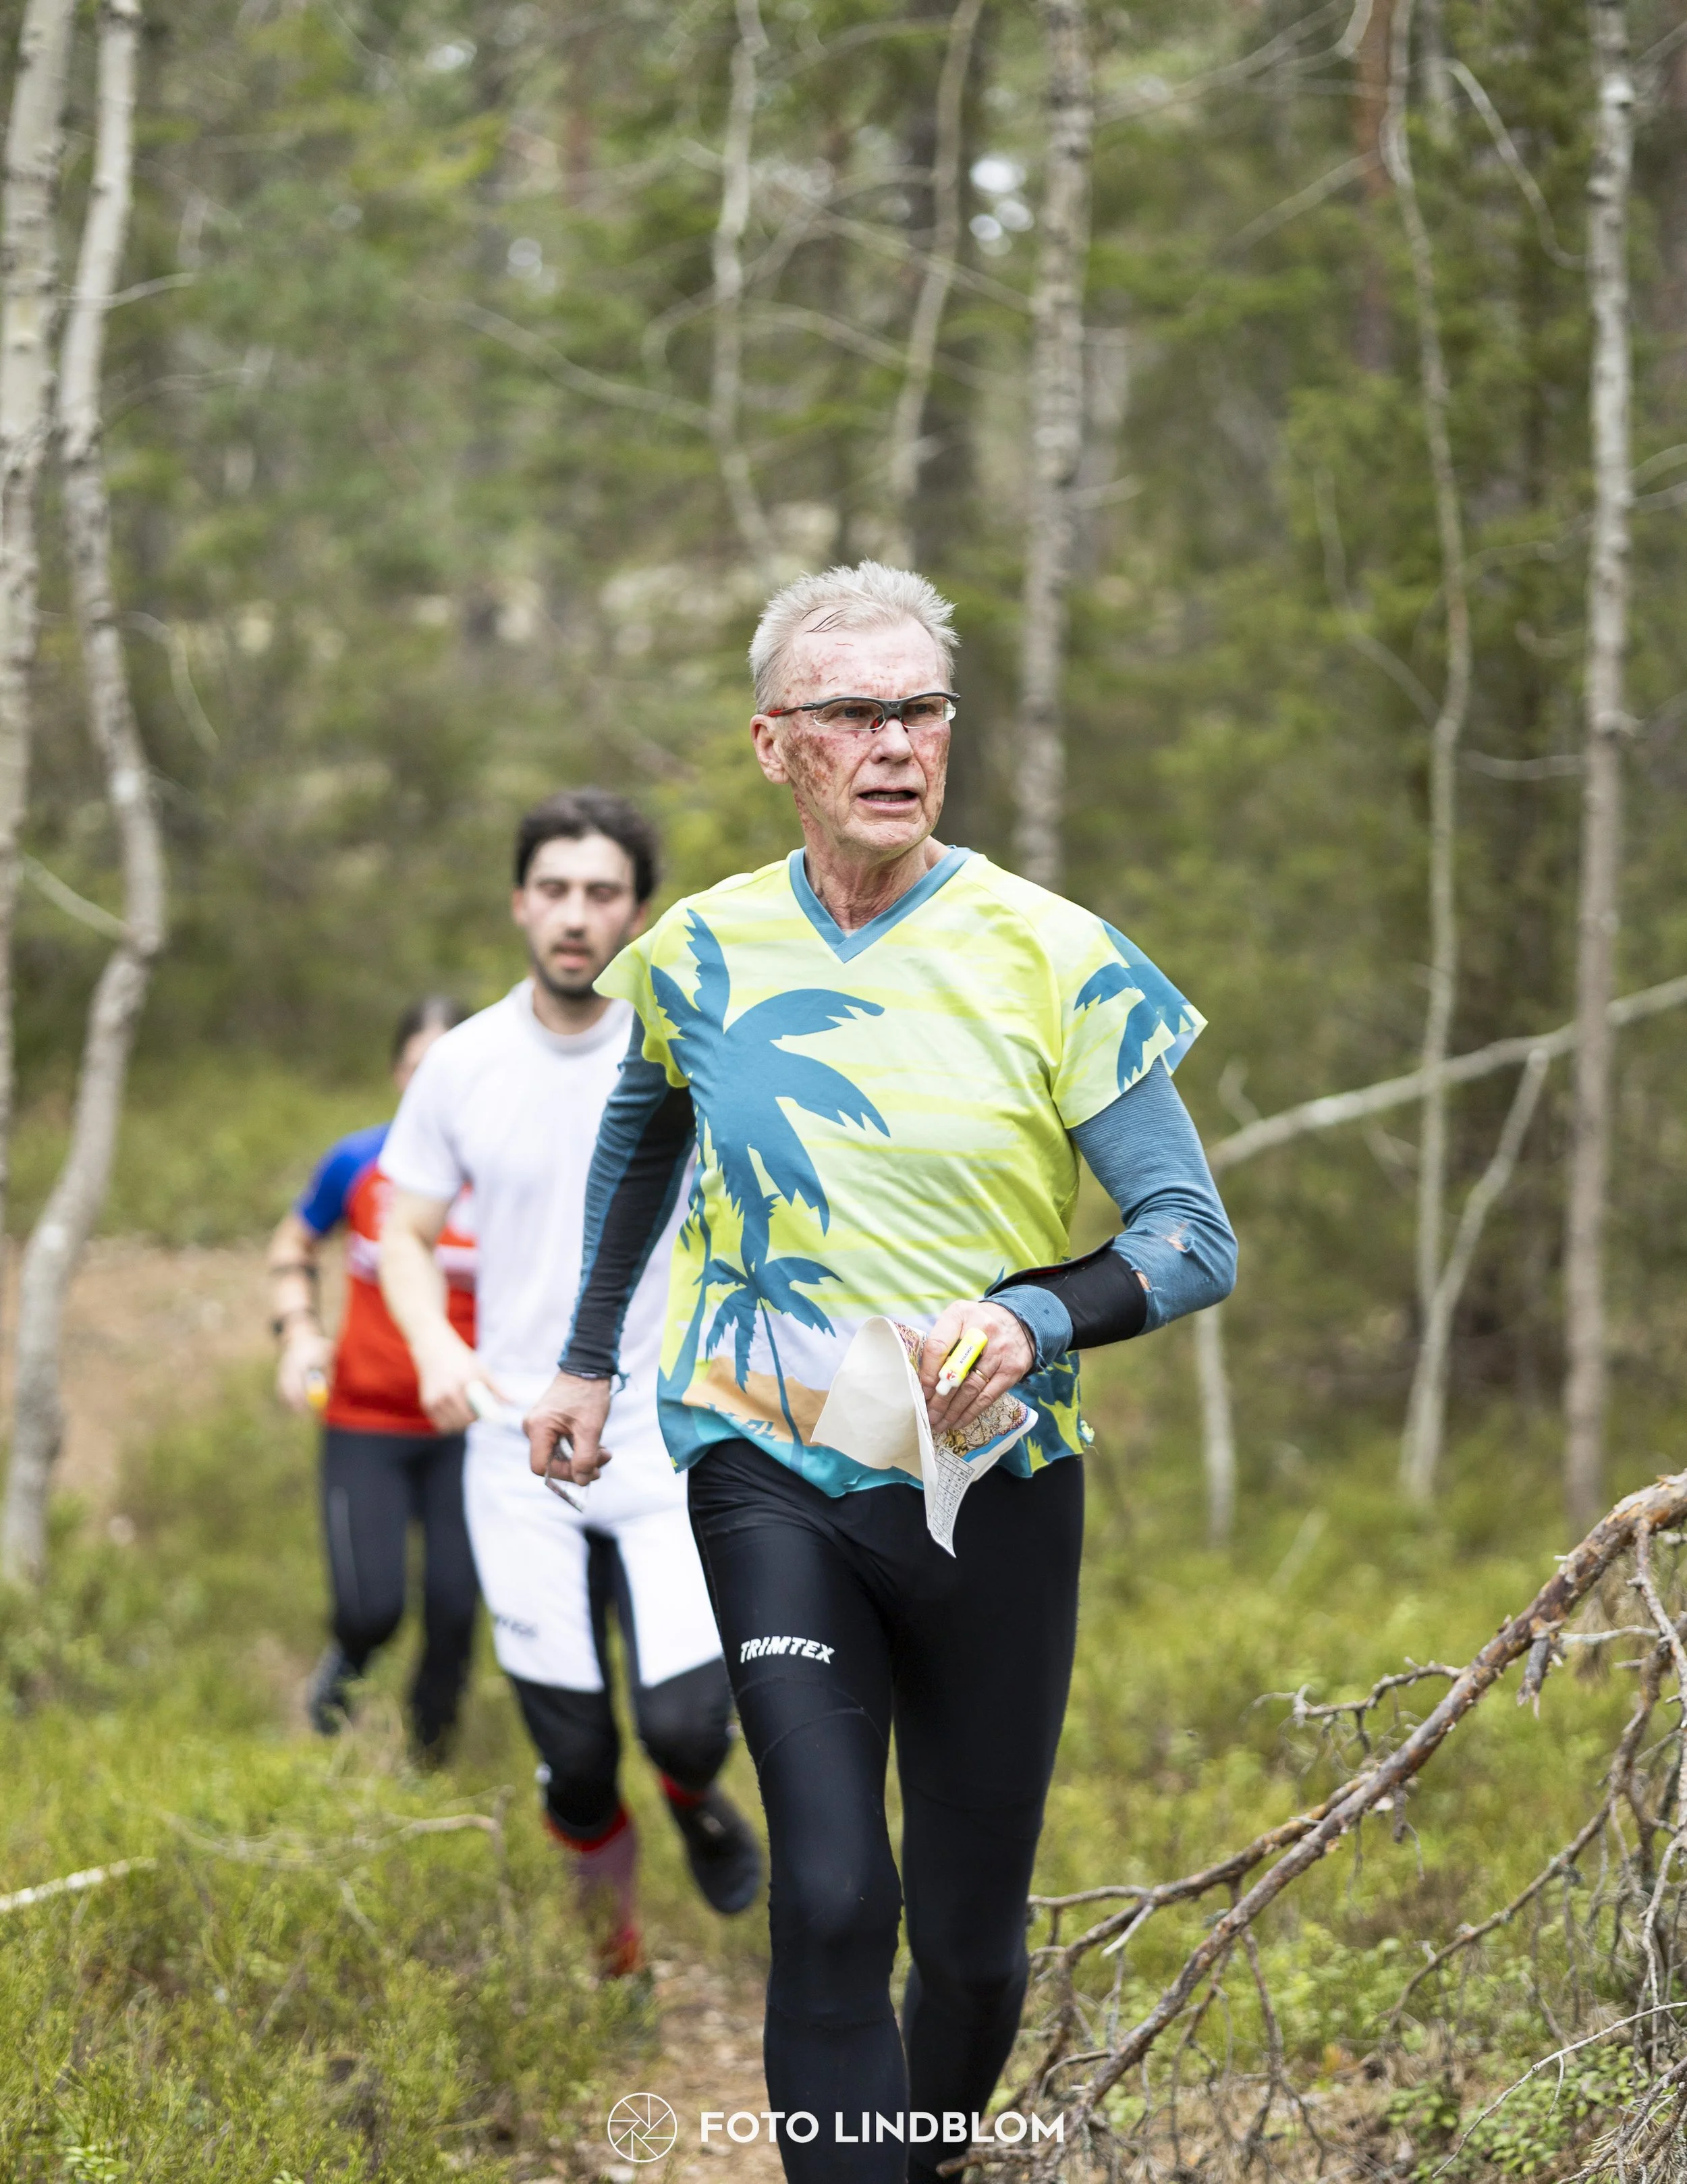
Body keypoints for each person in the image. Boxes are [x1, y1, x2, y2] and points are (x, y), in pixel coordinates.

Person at [525, 565, 1238, 2177]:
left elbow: (1194, 1236)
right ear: (777, 740)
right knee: (839, 1888)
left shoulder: (1056, 955)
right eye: (854, 710)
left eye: (921, 708)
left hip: (995, 1482)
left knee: (974, 1949)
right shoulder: (695, 951)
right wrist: (586, 1357)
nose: (897, 741)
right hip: (764, 1457)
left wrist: (1034, 1319)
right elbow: (643, 1138)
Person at [377, 789, 762, 1978]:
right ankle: (618, 1959)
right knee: (579, 1759)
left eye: (603, 893)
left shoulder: (687, 1047)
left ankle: (696, 1794)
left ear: (638, 911)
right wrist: (438, 1353)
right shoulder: (464, 1065)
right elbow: (403, 1227)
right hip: (512, 1444)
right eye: (555, 890)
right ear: (519, 903)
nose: (577, 916)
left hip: (666, 1431)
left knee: (689, 1725)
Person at [269, 995, 479, 1760]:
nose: (437, 1086)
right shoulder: (359, 1161)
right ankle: (338, 1690)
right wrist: (298, 1333)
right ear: (398, 1074)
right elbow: (295, 1241)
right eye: (421, 1068)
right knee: (371, 1608)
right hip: (367, 1417)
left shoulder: (508, 1169)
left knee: (455, 1611)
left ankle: (428, 1769)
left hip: (472, 1426)